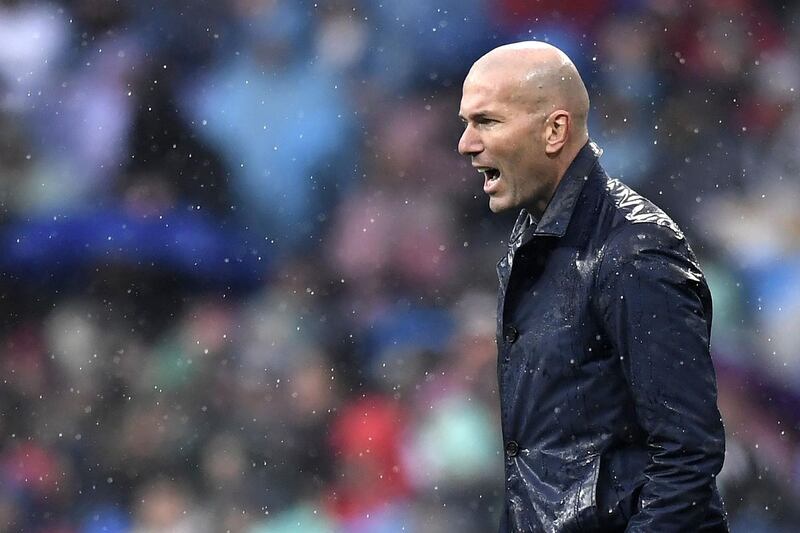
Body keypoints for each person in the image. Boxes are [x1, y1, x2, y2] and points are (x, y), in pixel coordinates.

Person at [457, 41, 728, 532]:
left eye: (486, 121)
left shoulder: (633, 253)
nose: (466, 143)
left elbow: (689, 457)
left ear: (554, 129)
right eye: (466, 123)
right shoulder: (533, 238)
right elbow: (539, 465)